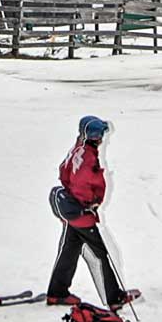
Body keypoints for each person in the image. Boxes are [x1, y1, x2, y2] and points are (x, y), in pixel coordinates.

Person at [44, 114, 126, 307]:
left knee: (69, 250)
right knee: (100, 253)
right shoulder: (88, 156)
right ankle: (114, 298)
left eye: (101, 134)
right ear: (90, 135)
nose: (100, 138)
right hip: (81, 212)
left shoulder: (77, 148)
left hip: (71, 210)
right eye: (97, 134)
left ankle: (57, 292)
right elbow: (82, 183)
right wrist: (89, 204)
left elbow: (63, 170)